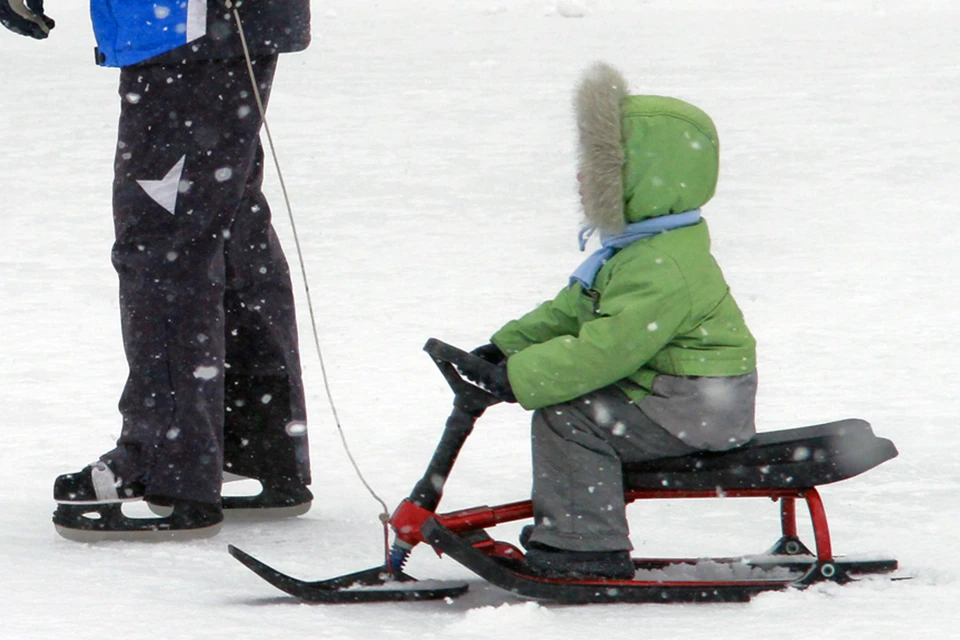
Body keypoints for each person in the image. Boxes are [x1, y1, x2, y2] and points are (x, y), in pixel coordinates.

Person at [2, 0, 314, 538]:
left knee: (166, 245)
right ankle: (252, 442)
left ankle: (169, 466)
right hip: (221, 22)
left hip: (184, 22)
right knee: (227, 225)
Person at [470, 62, 758, 579]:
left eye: (600, 170)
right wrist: (504, 347)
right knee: (573, 407)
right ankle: (576, 524)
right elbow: (574, 310)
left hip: (695, 406)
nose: (582, 180)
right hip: (678, 398)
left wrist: (519, 377)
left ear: (644, 180)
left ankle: (585, 546)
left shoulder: (661, 264)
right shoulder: (640, 249)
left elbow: (607, 348)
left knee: (572, 416)